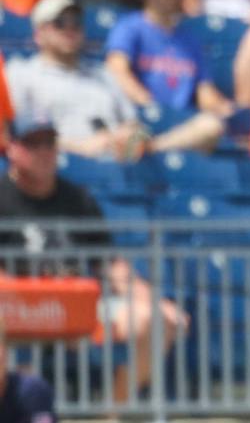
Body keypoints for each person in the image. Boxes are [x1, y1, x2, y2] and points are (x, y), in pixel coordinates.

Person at [0, 104, 185, 397]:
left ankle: (113, 412)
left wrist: (153, 300)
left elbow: (109, 264)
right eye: (33, 143)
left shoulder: (77, 198)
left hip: (76, 304)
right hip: (16, 306)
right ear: (12, 148)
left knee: (158, 320)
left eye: (49, 143)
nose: (44, 151)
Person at [7, 0, 215, 159]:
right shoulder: (21, 72)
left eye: (76, 22)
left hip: (119, 160)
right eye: (60, 22)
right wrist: (80, 146)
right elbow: (21, 135)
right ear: (38, 33)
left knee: (209, 126)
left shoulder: (103, 74)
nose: (70, 28)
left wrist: (131, 137)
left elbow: (133, 123)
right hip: (63, 162)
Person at [103, 0, 231, 131]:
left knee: (212, 127)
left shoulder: (190, 39)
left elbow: (205, 91)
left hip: (182, 124)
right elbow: (116, 71)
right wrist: (150, 106)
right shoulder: (129, 28)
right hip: (141, 120)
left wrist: (226, 110)